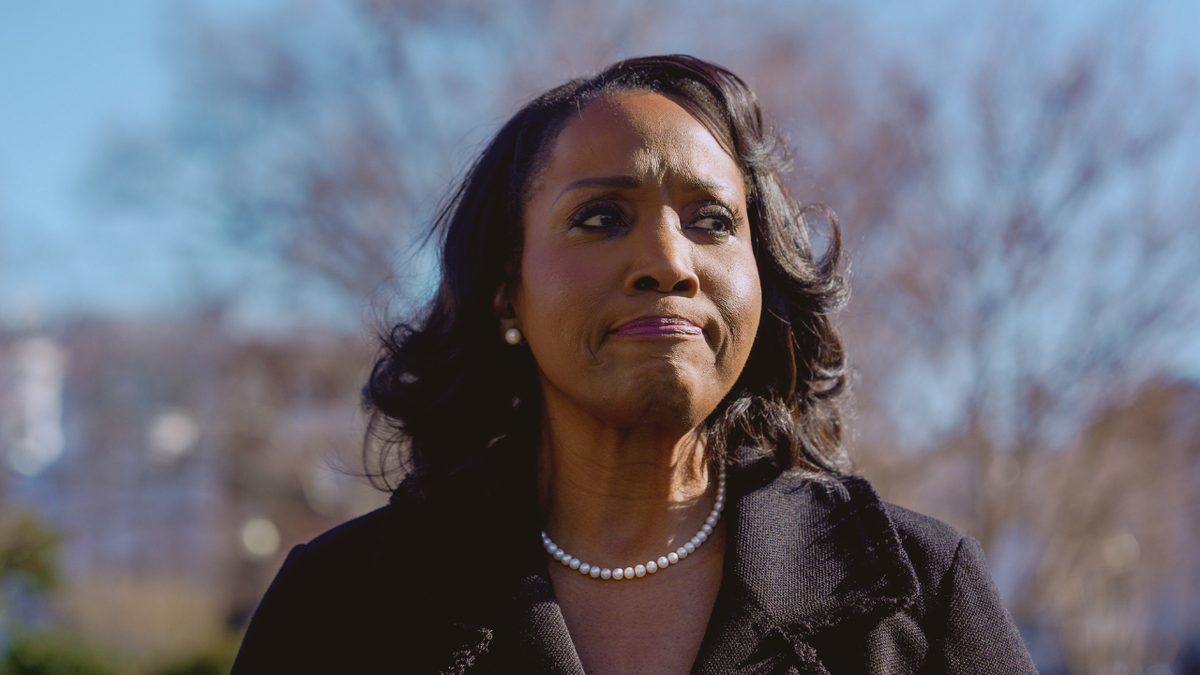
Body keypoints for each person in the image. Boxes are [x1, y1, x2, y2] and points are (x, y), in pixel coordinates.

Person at [231, 55, 1038, 674]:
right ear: (506, 291)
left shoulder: (921, 597)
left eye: (713, 221)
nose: (668, 261)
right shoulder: (341, 607)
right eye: (601, 216)